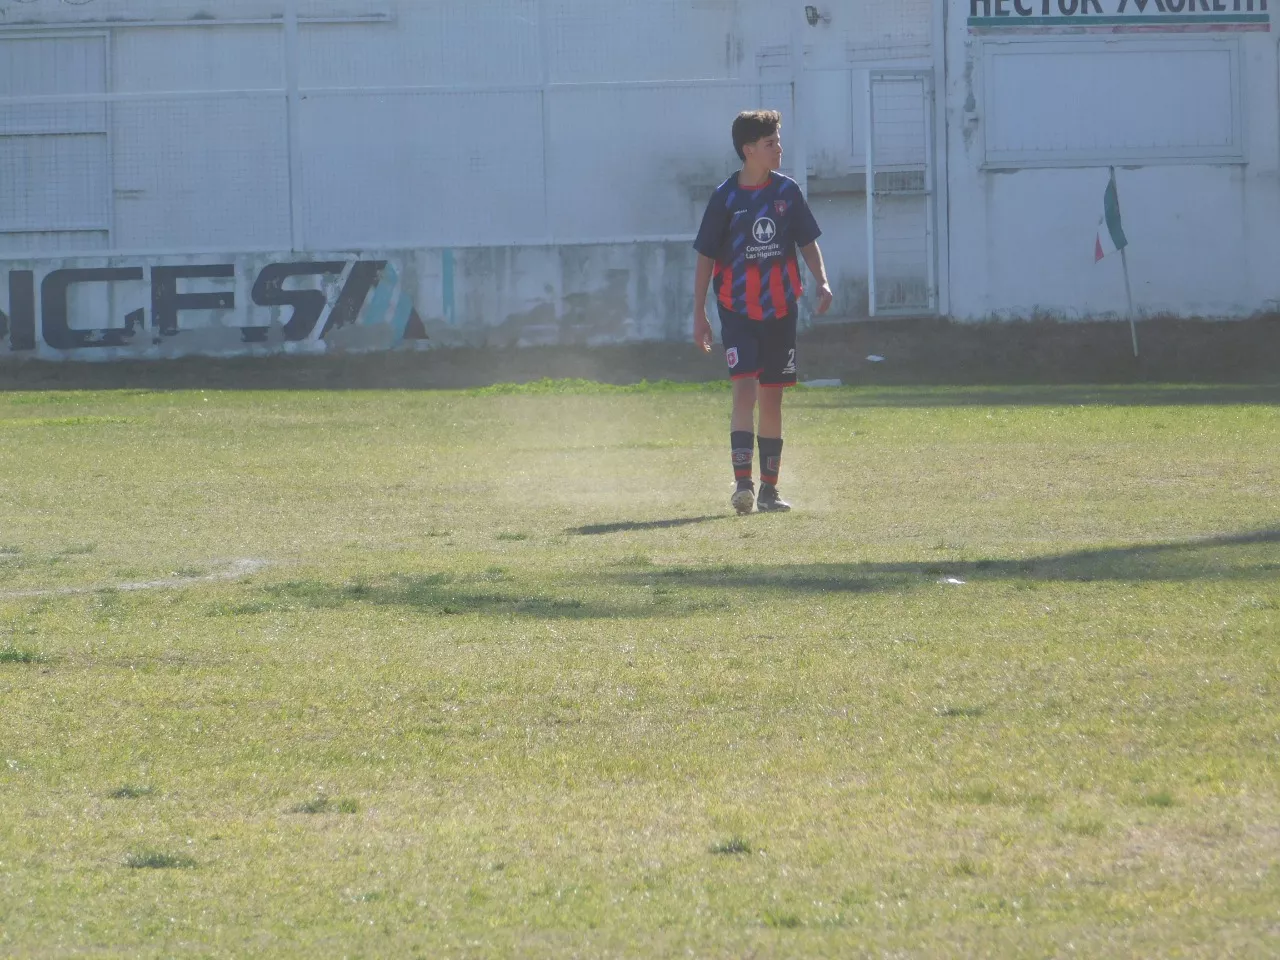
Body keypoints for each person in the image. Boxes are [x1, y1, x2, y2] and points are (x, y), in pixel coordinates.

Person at [692, 109, 833, 514]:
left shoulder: (787, 192)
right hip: (737, 310)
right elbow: (704, 257)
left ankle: (770, 491)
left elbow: (807, 241)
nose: (779, 149)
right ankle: (743, 486)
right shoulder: (725, 198)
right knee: (744, 391)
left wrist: (821, 279)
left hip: (780, 310)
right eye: (770, 143)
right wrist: (700, 313)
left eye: (778, 141)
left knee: (773, 398)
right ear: (748, 150)